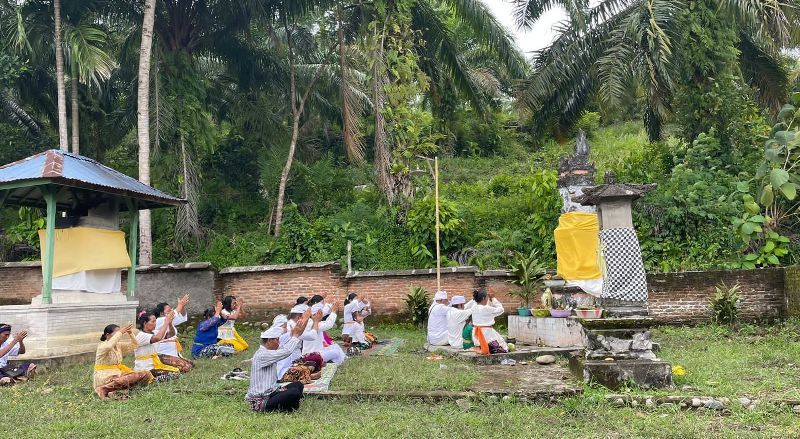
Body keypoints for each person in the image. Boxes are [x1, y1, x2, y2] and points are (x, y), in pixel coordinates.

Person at [245, 309, 312, 413]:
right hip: (260, 401)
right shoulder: (263, 354)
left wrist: (304, 321)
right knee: (294, 393)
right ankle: (290, 407)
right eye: (277, 340)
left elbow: (287, 347)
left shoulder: (270, 351)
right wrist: (295, 335)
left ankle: (289, 405)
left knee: (298, 385)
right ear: (270, 341)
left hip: (271, 393)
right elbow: (287, 351)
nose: (278, 342)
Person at [93, 323, 152, 399]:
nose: (120, 335)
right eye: (117, 333)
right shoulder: (102, 346)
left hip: (118, 375)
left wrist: (130, 333)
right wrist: (120, 332)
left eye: (120, 333)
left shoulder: (118, 345)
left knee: (146, 375)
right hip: (105, 378)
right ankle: (104, 389)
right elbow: (109, 346)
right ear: (107, 335)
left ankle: (113, 392)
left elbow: (135, 345)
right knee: (127, 379)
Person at [134, 310, 181, 381]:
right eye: (153, 321)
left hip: (155, 364)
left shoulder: (155, 333)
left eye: (155, 321)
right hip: (144, 367)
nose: (155, 324)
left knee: (178, 371)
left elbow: (171, 334)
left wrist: (170, 323)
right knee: (173, 374)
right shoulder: (140, 335)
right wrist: (166, 322)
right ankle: (149, 379)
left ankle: (152, 379)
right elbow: (157, 338)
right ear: (145, 323)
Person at [153, 294, 194, 372]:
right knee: (186, 367)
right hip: (163, 354)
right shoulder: (158, 321)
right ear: (162, 313)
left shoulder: (170, 320)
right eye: (168, 311)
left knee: (191, 364)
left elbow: (182, 317)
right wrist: (180, 305)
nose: (171, 312)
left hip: (174, 353)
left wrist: (182, 306)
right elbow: (173, 314)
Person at [470, 290, 508, 355]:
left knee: (497, 340)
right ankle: (487, 348)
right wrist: (493, 299)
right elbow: (501, 309)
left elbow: (484, 306)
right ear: (483, 298)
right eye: (487, 298)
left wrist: (489, 299)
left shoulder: (473, 307)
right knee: (504, 348)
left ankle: (480, 347)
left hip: (476, 335)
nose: (488, 299)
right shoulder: (486, 309)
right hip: (486, 333)